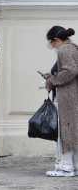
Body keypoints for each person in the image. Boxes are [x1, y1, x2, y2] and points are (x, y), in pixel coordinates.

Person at [44, 26, 78, 177]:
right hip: (72, 95)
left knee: (65, 131)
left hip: (68, 96)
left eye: (51, 43)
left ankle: (66, 167)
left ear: (56, 40)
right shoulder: (73, 48)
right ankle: (73, 165)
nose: (52, 46)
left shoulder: (64, 50)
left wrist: (53, 80)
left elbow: (70, 70)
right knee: (72, 130)